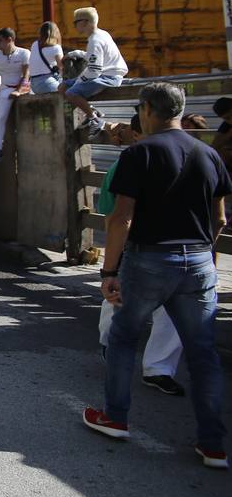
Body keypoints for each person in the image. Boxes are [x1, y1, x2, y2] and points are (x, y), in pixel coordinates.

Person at [83, 83, 230, 468]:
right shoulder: (209, 154)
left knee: (123, 337)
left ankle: (115, 416)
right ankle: (213, 443)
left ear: (147, 109)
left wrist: (109, 270)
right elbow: (220, 219)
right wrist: (200, 252)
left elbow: (121, 218)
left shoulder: (140, 153)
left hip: (149, 258)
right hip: (198, 261)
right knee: (202, 353)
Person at [94, 114, 186, 396]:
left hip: (173, 247)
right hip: (134, 247)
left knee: (172, 311)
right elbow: (113, 217)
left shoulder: (184, 158)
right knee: (118, 300)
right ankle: (110, 345)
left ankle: (158, 368)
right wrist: (113, 262)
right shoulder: (126, 165)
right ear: (136, 134)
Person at [64, 7, 128, 138]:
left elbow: (94, 70)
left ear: (85, 22)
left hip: (109, 76)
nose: (75, 25)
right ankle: (92, 111)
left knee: (71, 93)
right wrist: (78, 53)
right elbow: (94, 57)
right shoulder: (101, 34)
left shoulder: (95, 40)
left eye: (76, 22)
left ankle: (95, 120)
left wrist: (78, 82)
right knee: (62, 86)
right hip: (106, 73)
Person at [0, 28, 31, 163]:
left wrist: (19, 90)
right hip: (6, 88)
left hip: (23, 86)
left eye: (0, 40)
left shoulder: (24, 53)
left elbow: (26, 74)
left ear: (10, 40)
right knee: (0, 117)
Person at [28, 21, 65, 94]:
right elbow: (62, 67)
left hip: (33, 84)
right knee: (71, 92)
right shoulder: (56, 48)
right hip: (47, 83)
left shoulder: (35, 44)